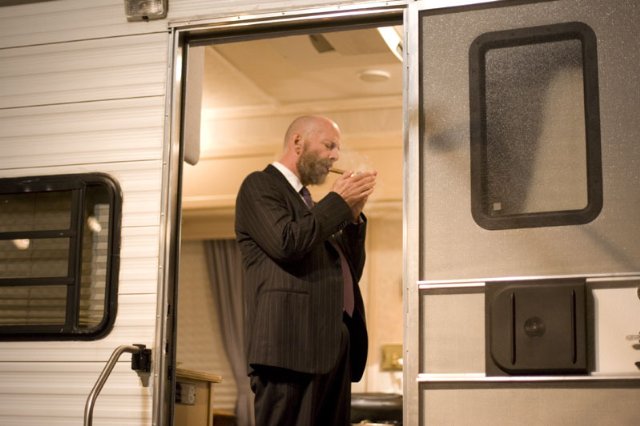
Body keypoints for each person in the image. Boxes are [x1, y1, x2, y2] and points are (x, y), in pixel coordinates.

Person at [235, 115, 377, 425]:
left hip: (332, 347)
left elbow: (349, 273)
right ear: (298, 142)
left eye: (337, 149)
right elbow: (286, 243)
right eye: (329, 145)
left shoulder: (312, 207)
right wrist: (338, 201)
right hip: (290, 347)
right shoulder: (260, 185)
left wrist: (352, 217)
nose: (335, 156)